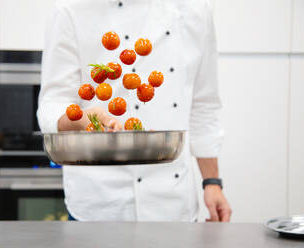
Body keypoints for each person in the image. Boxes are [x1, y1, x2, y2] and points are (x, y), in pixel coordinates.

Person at [38, 0, 232, 222]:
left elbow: (203, 103)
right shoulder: (70, 9)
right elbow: (53, 102)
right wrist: (83, 118)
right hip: (98, 199)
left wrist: (212, 182)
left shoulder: (197, 8)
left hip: (172, 197)